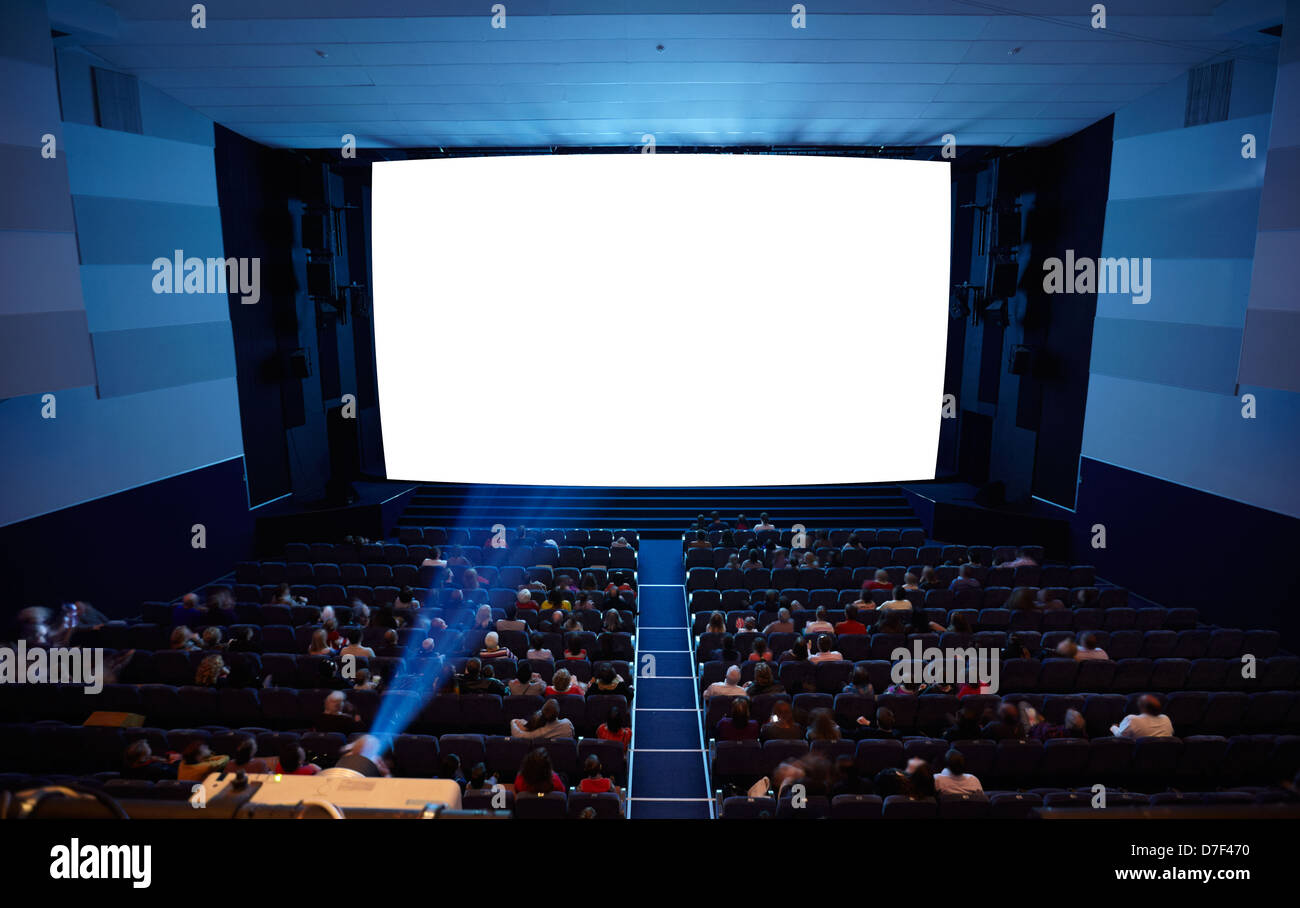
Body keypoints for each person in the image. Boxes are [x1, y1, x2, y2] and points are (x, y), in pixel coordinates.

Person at [511, 699, 575, 739]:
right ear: (558, 712)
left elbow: (517, 735)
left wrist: (513, 721)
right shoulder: (567, 724)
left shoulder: (539, 733)